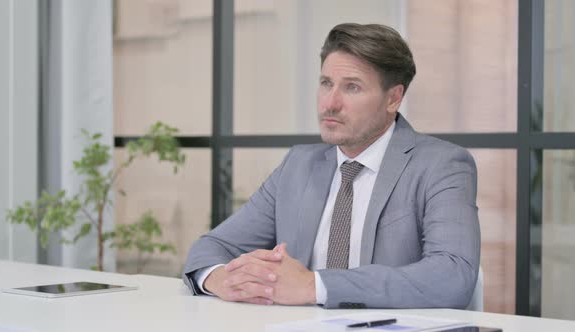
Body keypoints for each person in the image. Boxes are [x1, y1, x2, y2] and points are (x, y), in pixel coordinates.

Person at [182, 23, 480, 309]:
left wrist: (314, 285)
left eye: (352, 87)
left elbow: (453, 275)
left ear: (393, 98)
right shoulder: (298, 164)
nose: (330, 103)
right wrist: (222, 279)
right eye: (326, 84)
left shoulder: (441, 165)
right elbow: (213, 246)